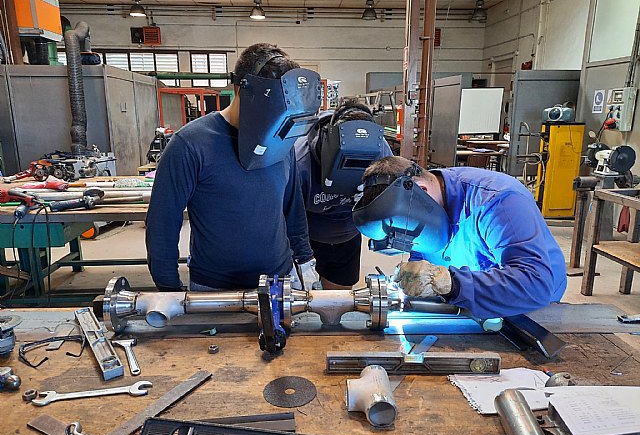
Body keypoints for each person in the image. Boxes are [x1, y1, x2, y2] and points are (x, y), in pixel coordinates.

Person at [146, 43, 321, 292]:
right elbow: (162, 223)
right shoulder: (190, 144)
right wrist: (170, 291)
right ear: (241, 89)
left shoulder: (282, 139)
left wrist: (304, 260)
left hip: (278, 280)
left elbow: (293, 207)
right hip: (215, 288)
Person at [352, 156, 567, 319]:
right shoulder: (421, 206)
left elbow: (535, 285)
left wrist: (452, 284)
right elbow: (422, 255)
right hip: (471, 308)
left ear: (422, 192)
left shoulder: (498, 202)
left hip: (532, 308)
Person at [295, 100, 392, 289]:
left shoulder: (379, 149)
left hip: (347, 237)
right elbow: (287, 217)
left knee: (336, 302)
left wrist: (373, 202)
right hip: (307, 235)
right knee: (301, 299)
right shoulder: (300, 161)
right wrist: (301, 257)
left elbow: (391, 196)